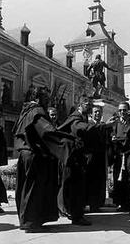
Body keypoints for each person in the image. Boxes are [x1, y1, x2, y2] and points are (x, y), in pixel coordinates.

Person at [13, 87, 77, 232]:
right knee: (34, 190)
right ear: (37, 99)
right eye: (46, 99)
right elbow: (47, 131)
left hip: (24, 154)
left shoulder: (26, 111)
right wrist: (68, 140)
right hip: (33, 155)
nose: (48, 102)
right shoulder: (37, 111)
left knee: (25, 189)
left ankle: (27, 221)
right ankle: (31, 223)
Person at [58, 95, 96, 225]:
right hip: (72, 158)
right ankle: (76, 216)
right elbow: (78, 128)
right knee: (75, 187)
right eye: (87, 105)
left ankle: (72, 212)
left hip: (77, 157)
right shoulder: (76, 118)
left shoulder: (83, 117)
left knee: (74, 186)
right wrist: (98, 127)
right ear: (80, 105)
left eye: (91, 105)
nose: (90, 107)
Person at [85, 105, 109, 212]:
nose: (98, 114)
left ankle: (97, 204)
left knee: (100, 180)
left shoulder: (104, 126)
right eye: (95, 112)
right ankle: (89, 203)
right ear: (91, 114)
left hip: (101, 156)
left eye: (99, 112)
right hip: (91, 156)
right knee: (91, 180)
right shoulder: (88, 125)